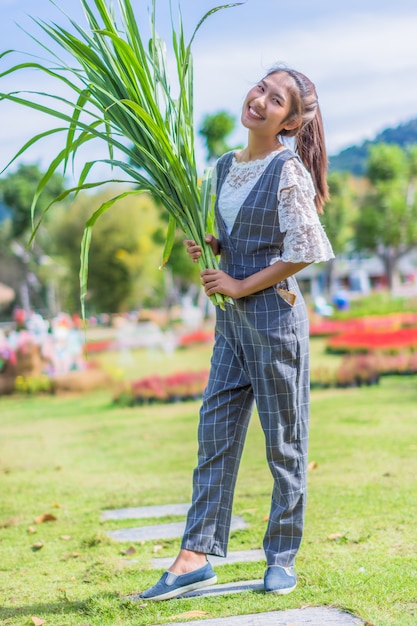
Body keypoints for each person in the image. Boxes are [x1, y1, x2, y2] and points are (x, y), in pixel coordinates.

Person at [139, 64, 334, 601]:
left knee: (284, 446)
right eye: (261, 88)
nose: (260, 100)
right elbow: (240, 236)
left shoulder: (287, 169)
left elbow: (305, 249)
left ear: (289, 122)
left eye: (276, 101)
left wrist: (239, 281)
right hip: (232, 326)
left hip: (274, 320)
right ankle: (194, 557)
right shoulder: (224, 166)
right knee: (215, 437)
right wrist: (212, 247)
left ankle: (282, 558)